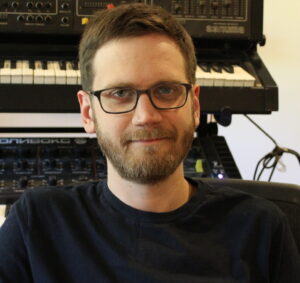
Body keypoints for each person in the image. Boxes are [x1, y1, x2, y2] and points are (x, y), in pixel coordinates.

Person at [0, 3, 299, 282]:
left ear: (195, 106)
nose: (146, 116)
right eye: (119, 93)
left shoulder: (261, 228)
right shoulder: (35, 223)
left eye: (166, 90)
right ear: (88, 113)